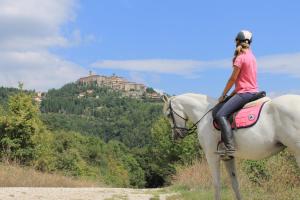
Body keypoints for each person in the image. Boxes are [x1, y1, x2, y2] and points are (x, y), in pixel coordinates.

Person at [215, 30, 259, 156]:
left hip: (245, 93)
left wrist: (223, 95)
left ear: (237, 42)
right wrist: (231, 95)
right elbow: (244, 81)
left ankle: (229, 147)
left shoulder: (240, 58)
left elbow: (233, 79)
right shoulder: (252, 57)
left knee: (220, 115)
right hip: (252, 91)